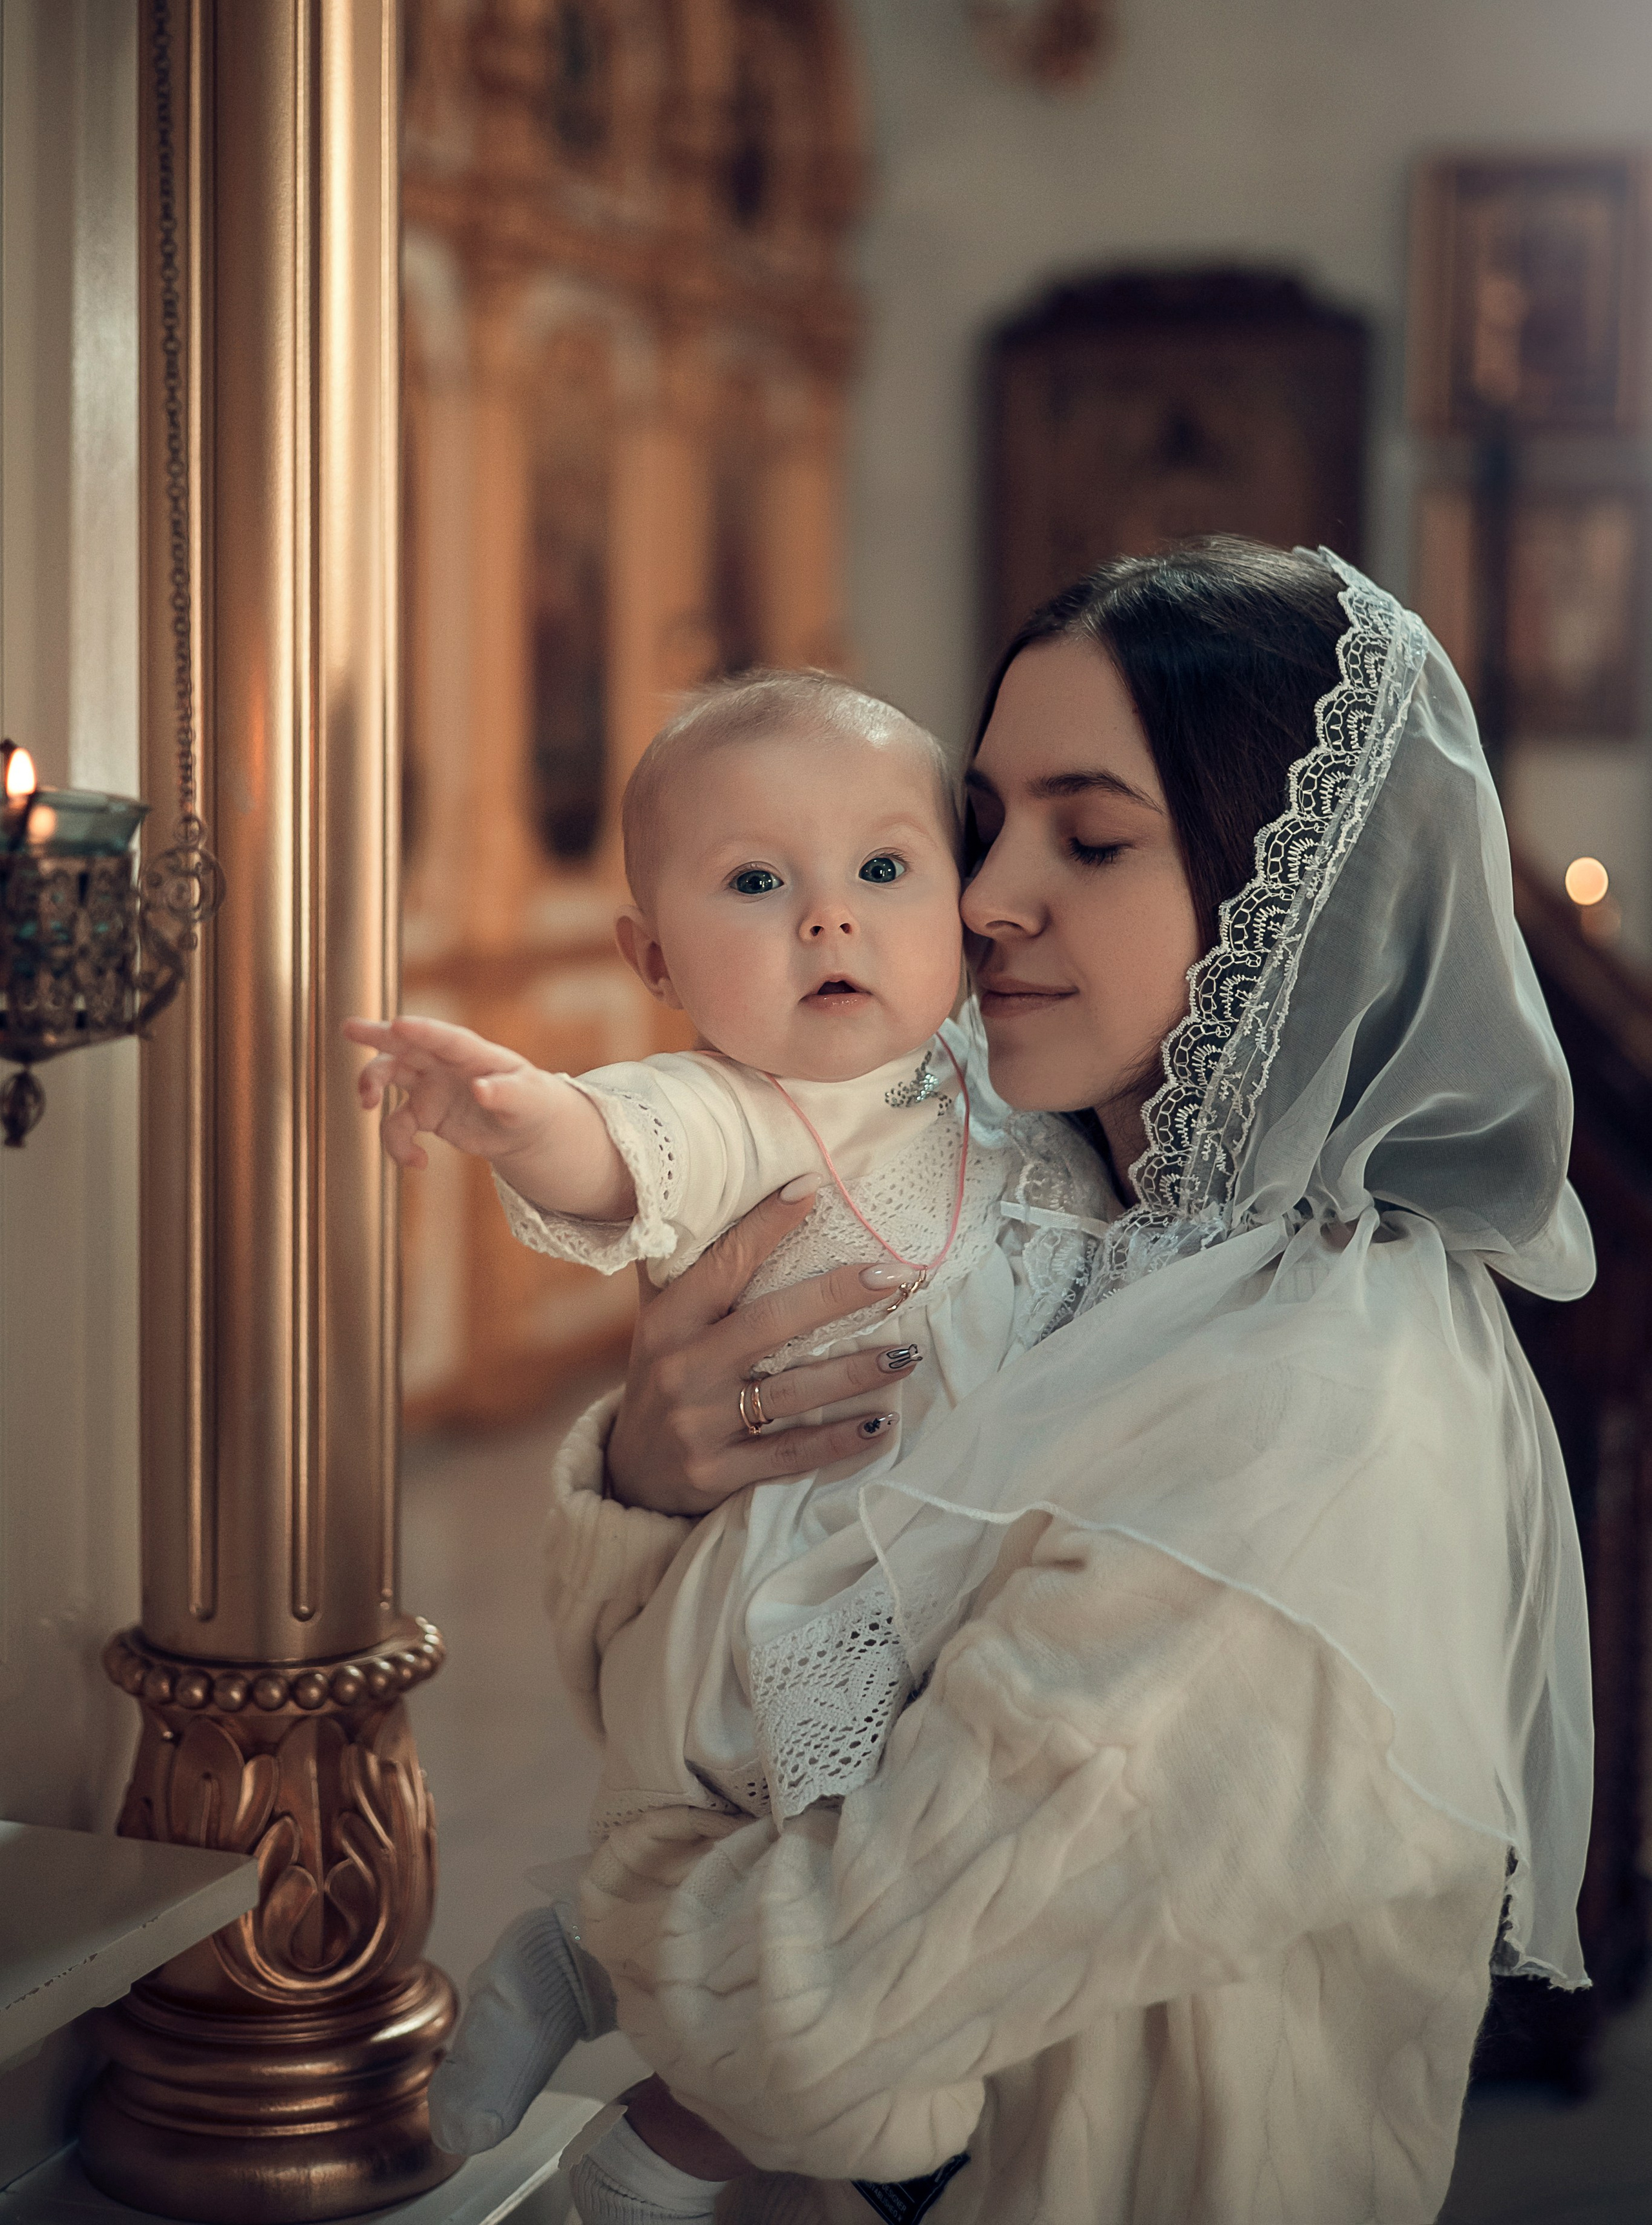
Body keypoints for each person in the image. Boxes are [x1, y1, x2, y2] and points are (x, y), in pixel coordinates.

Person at [525, 541, 1594, 2225]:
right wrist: (661, 1491)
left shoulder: (1317, 1413)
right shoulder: (1030, 1215)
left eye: (1090, 839)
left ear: (1278, 894)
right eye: (980, 828)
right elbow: (783, 1681)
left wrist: (604, 1923)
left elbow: (796, 2023)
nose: (984, 896)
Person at [344, 671, 1109, 2203]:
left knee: (796, 1910)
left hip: (948, 1588)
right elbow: (622, 1152)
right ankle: (652, 2146)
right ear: (655, 958)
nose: (829, 920)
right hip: (806, 1596)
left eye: (882, 871)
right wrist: (520, 1112)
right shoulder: (748, 1104)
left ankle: (576, 1958)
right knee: (826, 1933)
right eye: (757, 884)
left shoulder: (1003, 1091)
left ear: (960, 903)